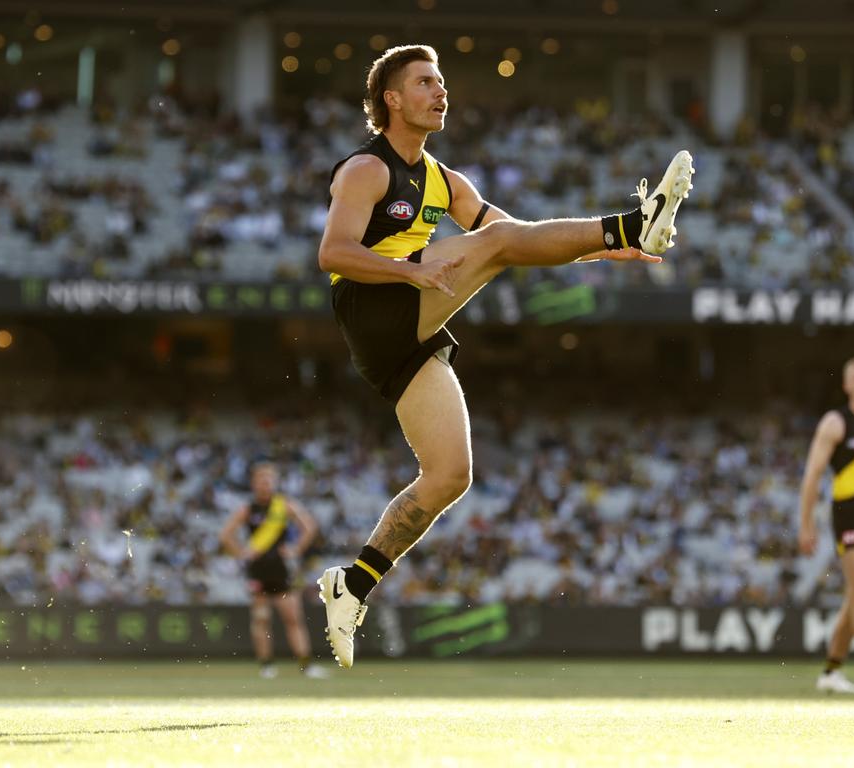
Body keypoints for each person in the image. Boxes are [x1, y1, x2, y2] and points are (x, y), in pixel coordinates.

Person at [315, 44, 694, 668]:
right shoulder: (366, 170)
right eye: (426, 82)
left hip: (410, 330)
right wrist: (406, 274)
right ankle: (633, 222)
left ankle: (351, 584)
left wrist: (607, 253)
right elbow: (332, 253)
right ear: (391, 98)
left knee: (450, 476)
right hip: (374, 307)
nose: (441, 92)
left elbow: (519, 240)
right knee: (491, 242)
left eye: (442, 83)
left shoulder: (446, 181)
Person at [799, 356, 854, 694]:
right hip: (848, 515)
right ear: (847, 385)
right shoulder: (835, 423)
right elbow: (813, 475)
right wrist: (806, 523)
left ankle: (830, 671)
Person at [220, 462, 327, 679]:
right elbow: (225, 535)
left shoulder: (284, 505)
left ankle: (305, 664)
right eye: (261, 479)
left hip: (282, 570)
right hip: (258, 571)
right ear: (253, 483)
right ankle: (266, 665)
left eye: (268, 479)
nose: (265, 483)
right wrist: (241, 552)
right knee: (261, 619)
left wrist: (296, 549)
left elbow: (309, 526)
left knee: (293, 618)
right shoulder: (248, 509)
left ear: (275, 482)